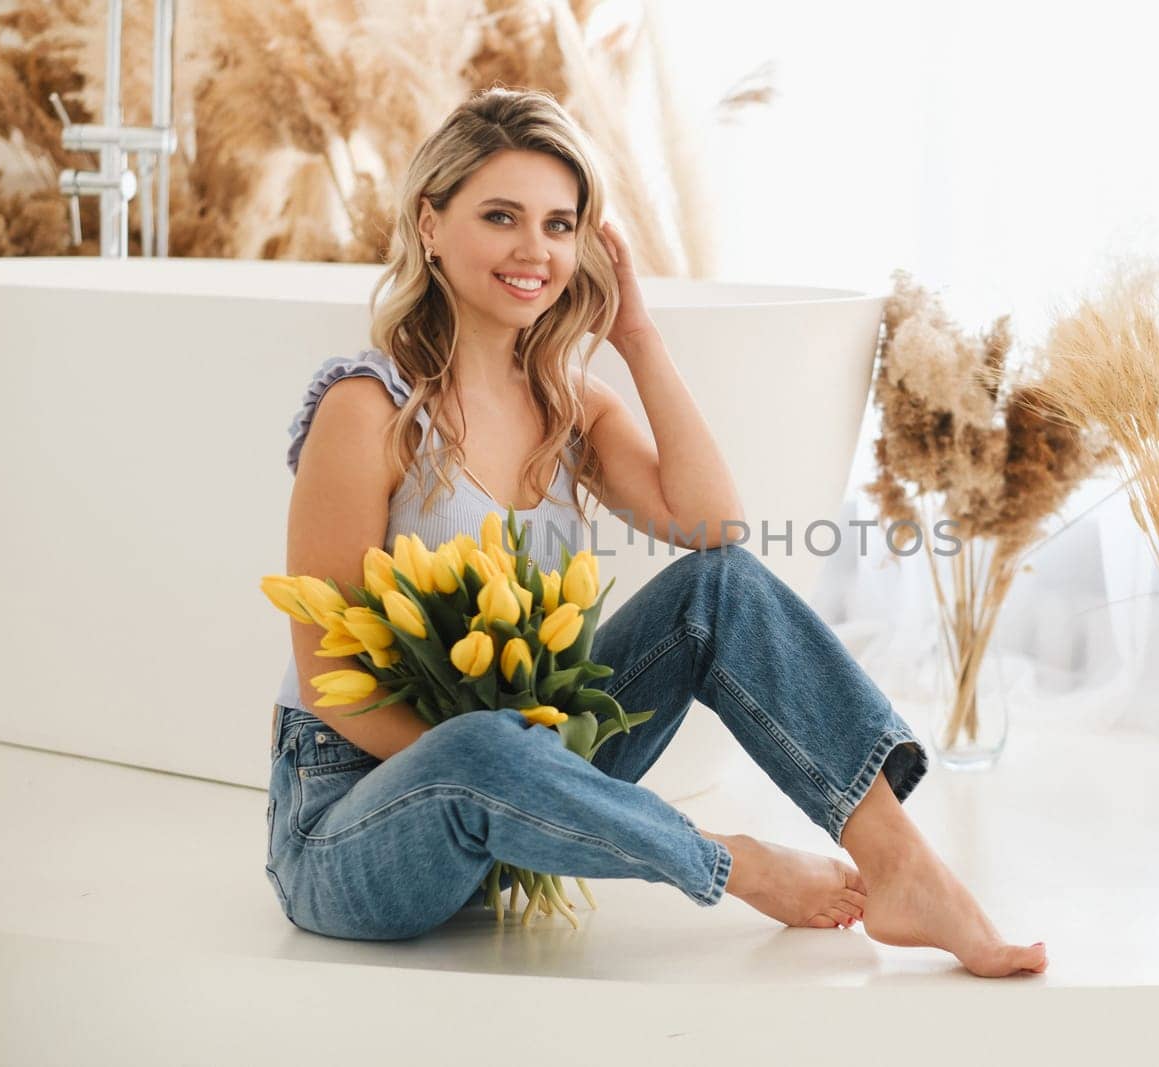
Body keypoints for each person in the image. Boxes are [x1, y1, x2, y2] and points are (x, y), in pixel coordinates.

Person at [265, 86, 1048, 979]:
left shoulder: (568, 405)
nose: (535, 250)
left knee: (723, 586)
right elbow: (334, 686)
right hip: (350, 826)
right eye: (501, 216)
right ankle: (732, 863)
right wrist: (515, 769)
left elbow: (714, 523)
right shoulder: (366, 409)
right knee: (487, 743)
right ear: (430, 224)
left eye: (561, 225)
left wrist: (635, 333)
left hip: (527, 797)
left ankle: (903, 863)